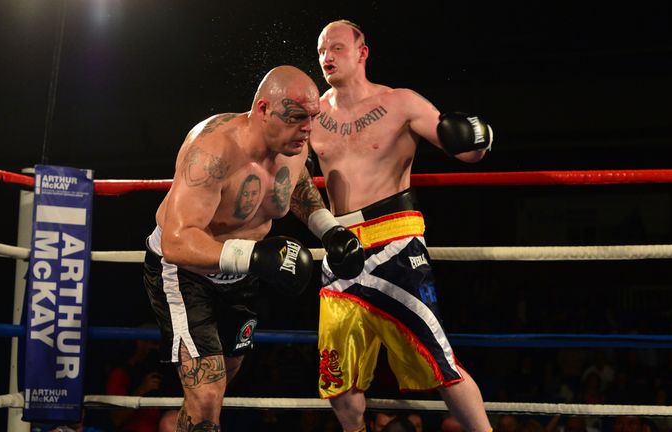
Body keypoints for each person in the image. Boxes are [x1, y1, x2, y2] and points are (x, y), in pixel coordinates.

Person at [142, 65, 365, 431]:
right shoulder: (212, 152)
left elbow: (295, 185)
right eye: (297, 117)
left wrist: (329, 230)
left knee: (224, 376)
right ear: (263, 109)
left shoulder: (293, 143)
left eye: (312, 117)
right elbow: (176, 241)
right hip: (186, 273)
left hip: (242, 274)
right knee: (207, 394)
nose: (307, 128)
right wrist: (255, 256)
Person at [311, 20, 493, 432]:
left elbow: (464, 150)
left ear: (362, 52)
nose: (327, 57)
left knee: (440, 362)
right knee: (338, 379)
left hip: (395, 239)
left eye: (336, 48)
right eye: (321, 50)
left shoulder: (401, 103)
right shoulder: (314, 115)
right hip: (339, 244)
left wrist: (478, 138)